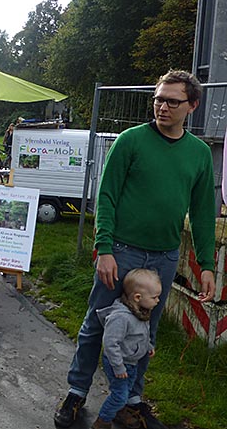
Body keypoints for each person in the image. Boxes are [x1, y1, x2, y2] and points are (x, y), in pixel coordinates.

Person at [54, 70, 217, 429]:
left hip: (162, 257)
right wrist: (104, 248)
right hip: (122, 252)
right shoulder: (131, 141)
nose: (162, 107)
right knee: (96, 326)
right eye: (158, 99)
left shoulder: (200, 154)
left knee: (145, 334)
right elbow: (107, 195)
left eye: (172, 101)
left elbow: (204, 213)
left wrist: (207, 264)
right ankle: (76, 394)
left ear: (192, 105)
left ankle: (131, 401)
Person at [91, 269, 162, 429]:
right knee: (120, 395)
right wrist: (118, 367)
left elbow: (140, 335)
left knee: (127, 388)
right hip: (118, 363)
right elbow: (110, 343)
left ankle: (118, 412)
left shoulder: (141, 311)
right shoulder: (120, 318)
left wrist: (147, 346)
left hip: (131, 362)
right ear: (138, 297)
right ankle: (102, 421)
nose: (158, 300)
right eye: (155, 297)